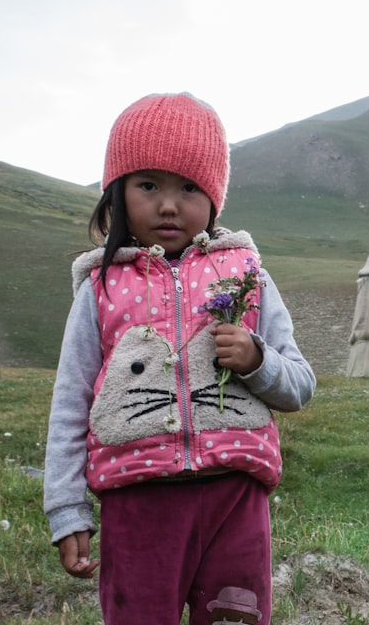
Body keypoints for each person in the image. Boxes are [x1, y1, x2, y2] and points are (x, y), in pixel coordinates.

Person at [43, 92, 315, 625]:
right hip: (137, 503)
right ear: (116, 193)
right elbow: (72, 401)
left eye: (189, 187)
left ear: (214, 197)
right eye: (148, 185)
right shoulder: (99, 288)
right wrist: (67, 508)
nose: (169, 205)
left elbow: (299, 385)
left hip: (234, 500)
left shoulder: (247, 275)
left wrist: (257, 359)